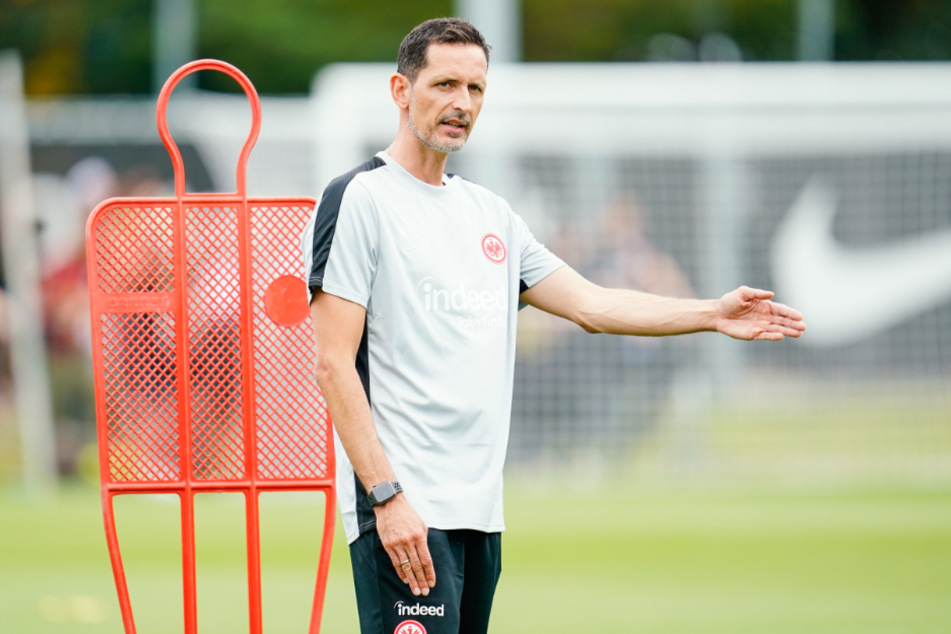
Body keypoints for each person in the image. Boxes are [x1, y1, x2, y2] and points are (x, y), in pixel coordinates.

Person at [303, 17, 806, 634]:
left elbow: (592, 304)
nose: (462, 103)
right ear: (401, 91)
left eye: (476, 89)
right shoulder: (360, 199)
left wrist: (709, 314)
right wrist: (386, 497)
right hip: (405, 508)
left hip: (480, 514)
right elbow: (333, 363)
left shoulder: (490, 214)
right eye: (444, 84)